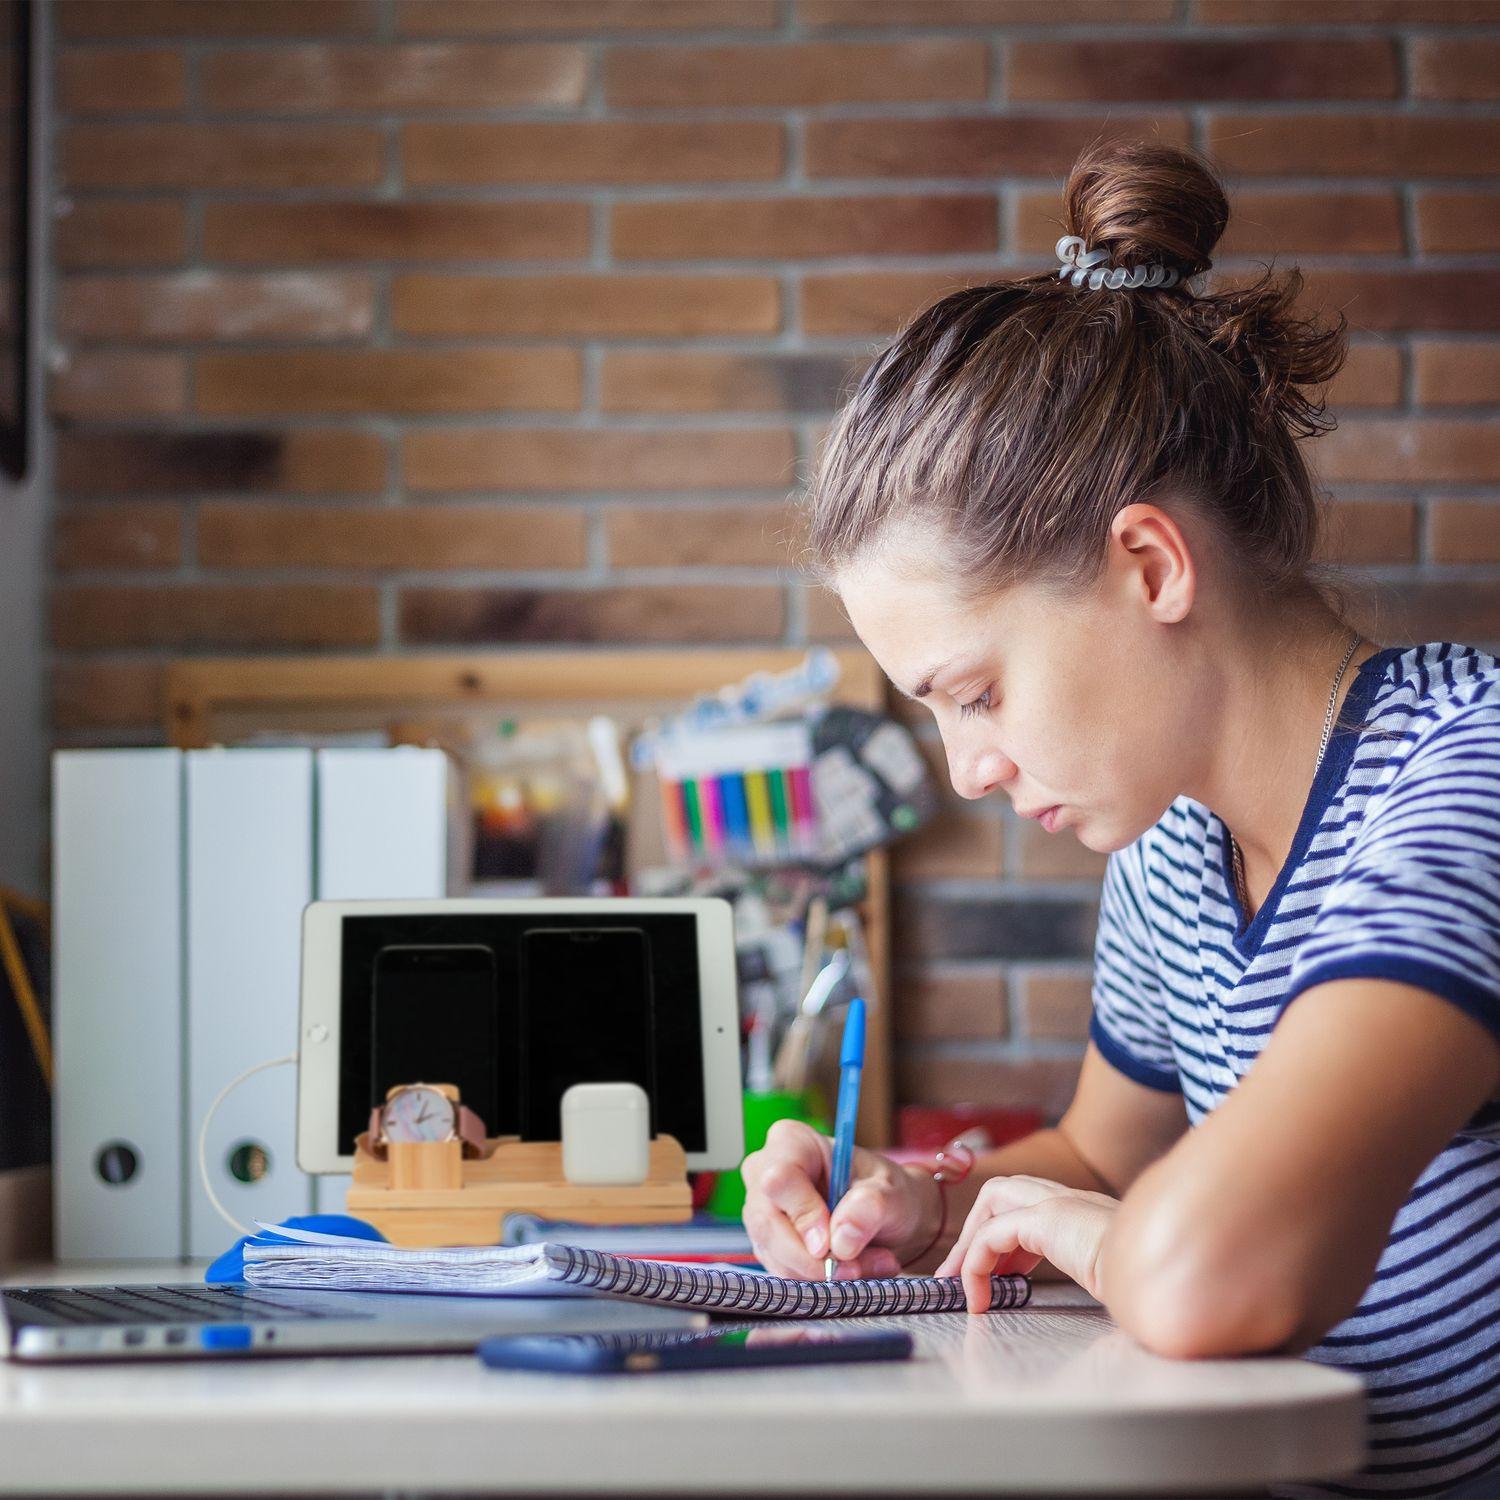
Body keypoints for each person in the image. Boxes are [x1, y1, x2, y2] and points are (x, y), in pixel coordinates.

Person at [741, 140, 1500, 1498]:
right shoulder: (1172, 848)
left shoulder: (1464, 781)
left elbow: (1210, 1272)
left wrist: (1083, 1229)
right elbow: (1104, 1155)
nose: (965, 770)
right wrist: (923, 1198)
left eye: (975, 694)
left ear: (1149, 566)